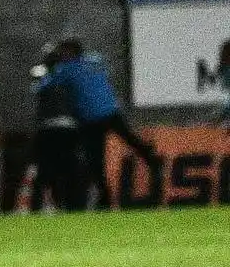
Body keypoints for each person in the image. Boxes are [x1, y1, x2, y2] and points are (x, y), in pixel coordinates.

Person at [47, 38, 158, 209]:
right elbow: (101, 72)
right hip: (111, 111)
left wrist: (50, 68)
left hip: (91, 120)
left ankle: (106, 198)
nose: (61, 55)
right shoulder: (95, 59)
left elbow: (46, 85)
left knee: (96, 161)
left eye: (64, 51)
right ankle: (150, 156)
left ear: (70, 52)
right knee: (129, 138)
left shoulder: (66, 69)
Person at [30, 43, 83, 212]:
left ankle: (39, 206)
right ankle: (72, 205)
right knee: (69, 168)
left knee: (46, 169)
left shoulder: (47, 77)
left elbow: (38, 89)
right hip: (68, 127)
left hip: (49, 128)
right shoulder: (70, 73)